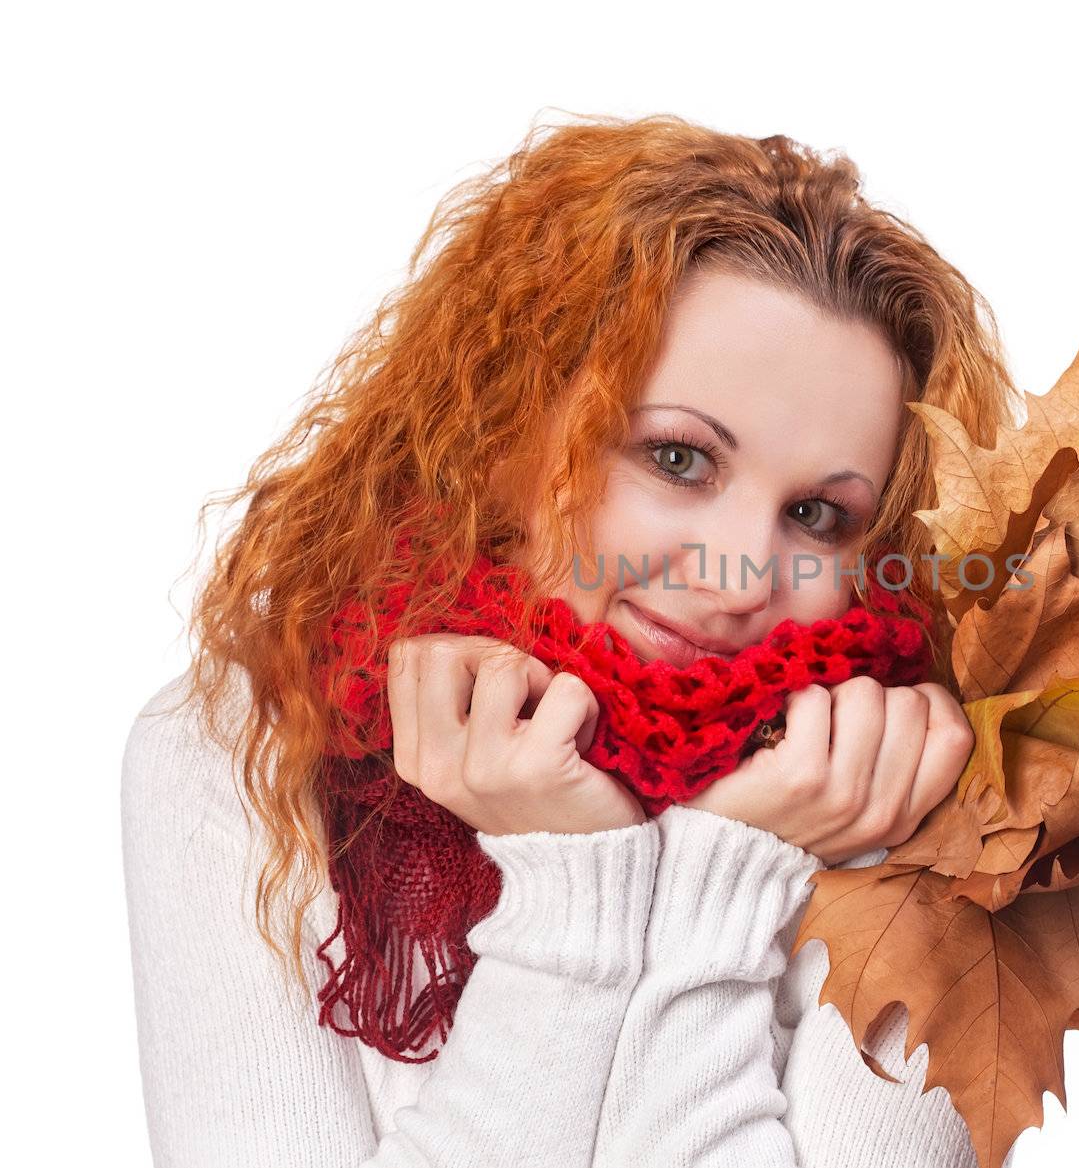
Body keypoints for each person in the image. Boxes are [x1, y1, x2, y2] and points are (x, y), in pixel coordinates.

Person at [121, 112, 1022, 1166]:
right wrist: (573, 885)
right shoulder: (246, 742)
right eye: (678, 459)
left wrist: (723, 874)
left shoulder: (919, 792)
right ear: (506, 429)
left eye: (817, 515)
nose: (734, 571)